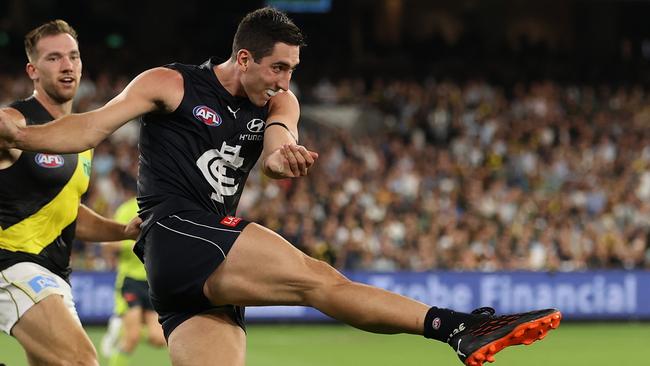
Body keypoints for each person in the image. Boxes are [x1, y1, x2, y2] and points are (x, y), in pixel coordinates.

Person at [0, 8, 561, 366]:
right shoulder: (170, 83)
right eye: (277, 68)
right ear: (244, 58)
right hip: (180, 232)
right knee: (320, 282)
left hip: (189, 277)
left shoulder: (279, 102)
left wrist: (281, 156)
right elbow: (90, 127)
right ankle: (454, 327)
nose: (285, 81)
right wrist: (20, 135)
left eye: (291, 69)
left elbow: (274, 146)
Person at [0, 20, 141, 366]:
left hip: (54, 273)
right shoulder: (15, 123)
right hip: (11, 263)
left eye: (73, 56)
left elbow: (67, 213)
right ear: (32, 70)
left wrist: (121, 231)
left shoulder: (80, 138)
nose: (66, 65)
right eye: (53, 58)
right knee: (81, 361)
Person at [100, 174, 166, 365]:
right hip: (130, 281)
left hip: (152, 282)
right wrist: (135, 245)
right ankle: (125, 330)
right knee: (132, 338)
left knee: (158, 338)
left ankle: (120, 327)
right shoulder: (126, 209)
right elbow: (109, 244)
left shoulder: (162, 209)